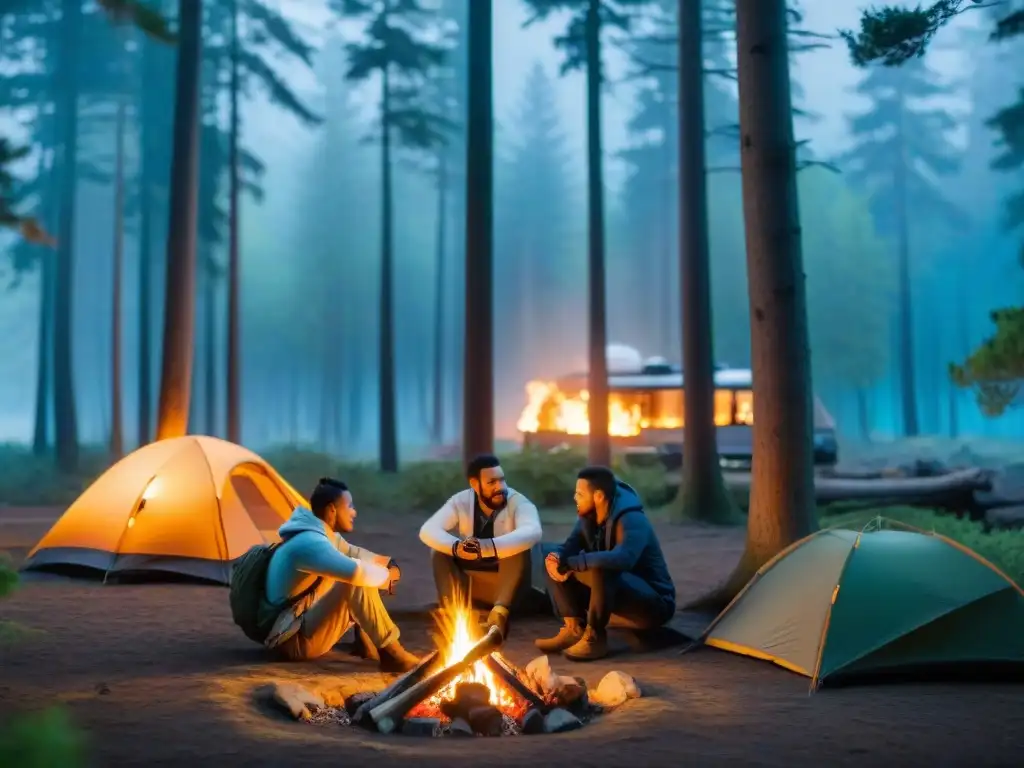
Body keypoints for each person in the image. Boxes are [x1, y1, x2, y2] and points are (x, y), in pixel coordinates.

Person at [261, 477, 421, 671]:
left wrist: (390, 565)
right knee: (357, 579)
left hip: (304, 625)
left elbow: (359, 555)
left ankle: (366, 642)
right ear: (332, 509)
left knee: (363, 571)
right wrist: (387, 579)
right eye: (350, 506)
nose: (354, 512)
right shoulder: (309, 543)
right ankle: (393, 654)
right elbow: (358, 573)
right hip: (292, 641)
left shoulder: (326, 536)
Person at [536, 466, 676, 661]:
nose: (575, 498)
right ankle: (574, 628)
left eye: (579, 494)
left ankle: (595, 638)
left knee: (603, 565)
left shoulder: (632, 519)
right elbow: (570, 547)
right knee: (551, 554)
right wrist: (558, 559)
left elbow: (623, 558)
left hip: (653, 605)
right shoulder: (588, 516)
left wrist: (573, 563)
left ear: (599, 496)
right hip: (614, 595)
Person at [419, 454, 543, 638]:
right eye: (491, 482)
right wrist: (457, 547)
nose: (500, 487)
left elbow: (532, 531)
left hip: (508, 587)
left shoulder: (519, 502)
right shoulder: (460, 501)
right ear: (475, 484)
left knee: (517, 547)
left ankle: (499, 615)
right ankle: (453, 612)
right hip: (472, 586)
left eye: (502, 480)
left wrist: (488, 546)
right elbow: (427, 530)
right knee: (439, 551)